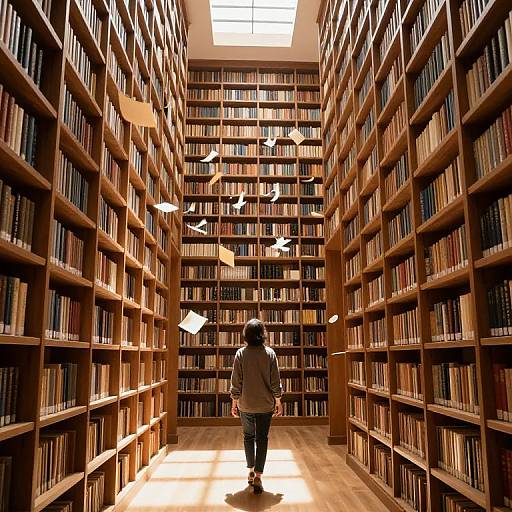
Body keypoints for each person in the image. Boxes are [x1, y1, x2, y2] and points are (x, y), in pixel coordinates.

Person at [230, 318, 283, 494]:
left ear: (246, 335)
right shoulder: (270, 354)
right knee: (262, 439)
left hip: (245, 404)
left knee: (247, 437)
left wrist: (234, 402)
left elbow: (236, 381)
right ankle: (259, 476)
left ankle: (251, 471)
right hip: (265, 405)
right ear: (263, 335)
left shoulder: (240, 354)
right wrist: (278, 400)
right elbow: (275, 381)